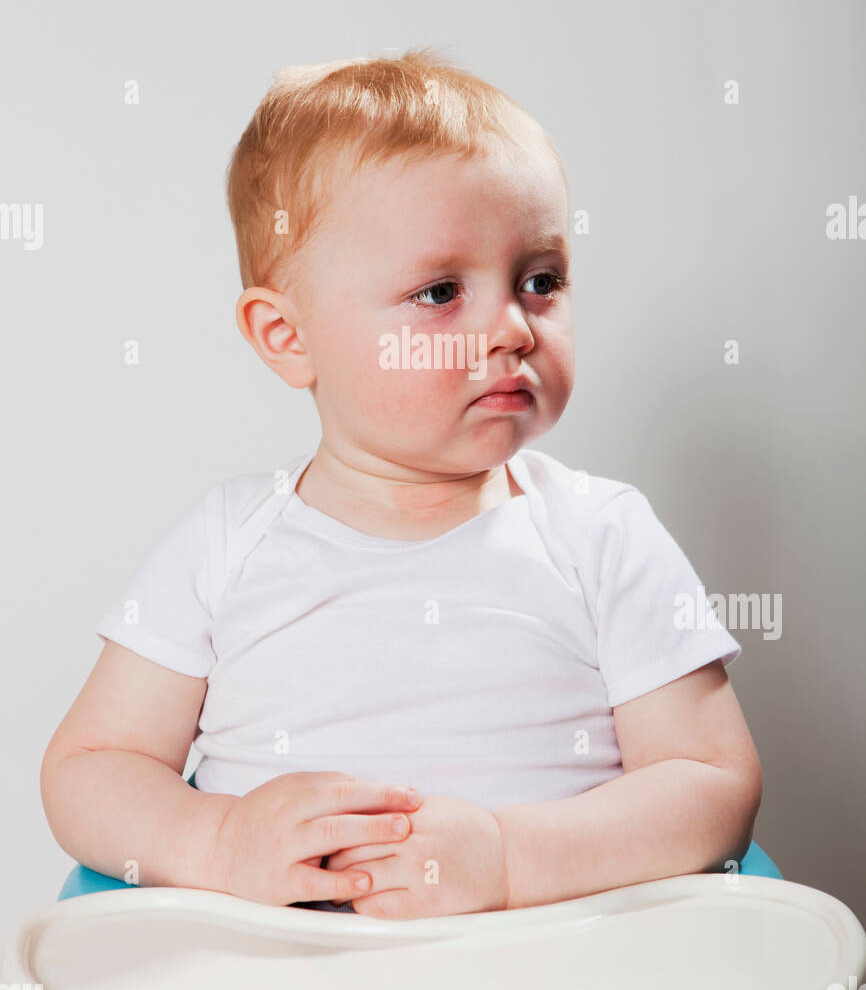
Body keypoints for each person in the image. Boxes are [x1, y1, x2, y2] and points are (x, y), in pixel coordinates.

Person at [41, 49, 761, 919]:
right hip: (283, 977)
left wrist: (507, 860)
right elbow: (91, 770)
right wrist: (218, 843)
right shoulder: (226, 543)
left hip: (552, 963)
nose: (511, 328)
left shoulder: (601, 534)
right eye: (439, 292)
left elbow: (713, 785)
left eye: (541, 281)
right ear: (287, 335)